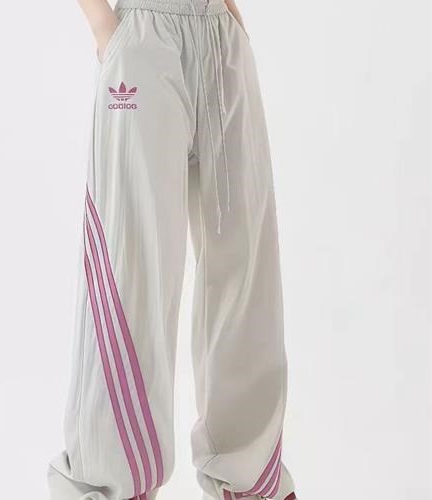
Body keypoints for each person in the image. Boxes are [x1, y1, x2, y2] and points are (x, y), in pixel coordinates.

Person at [47, 1, 297, 499]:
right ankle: (109, 485)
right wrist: (104, 28)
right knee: (131, 266)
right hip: (143, 34)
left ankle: (249, 482)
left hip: (222, 40)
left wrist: (231, 17)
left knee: (245, 266)